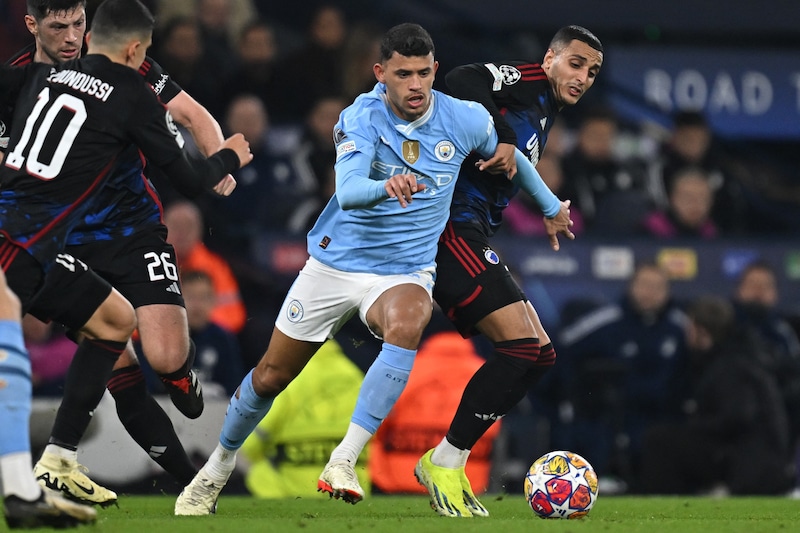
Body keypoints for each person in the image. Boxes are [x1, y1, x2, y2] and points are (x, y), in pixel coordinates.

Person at [174, 22, 571, 516]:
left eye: (424, 73)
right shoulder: (359, 117)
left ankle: (344, 459)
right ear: (380, 73)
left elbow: (512, 160)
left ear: (435, 71)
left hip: (403, 271)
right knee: (271, 376)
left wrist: (550, 206)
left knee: (410, 320)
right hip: (337, 266)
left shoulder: (464, 118)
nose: (415, 86)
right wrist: (388, 187)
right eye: (403, 74)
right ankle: (217, 466)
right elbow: (347, 192)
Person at [0, 0, 250, 520]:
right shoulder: (49, 82)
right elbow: (186, 178)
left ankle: (57, 459)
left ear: (94, 28)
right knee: (110, 349)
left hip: (126, 229)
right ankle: (186, 485)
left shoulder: (87, 79)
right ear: (31, 26)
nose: (70, 36)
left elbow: (191, 113)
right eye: (57, 25)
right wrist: (225, 160)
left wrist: (215, 162)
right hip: (55, 239)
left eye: (78, 24)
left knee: (140, 340)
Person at [412, 25, 601, 518]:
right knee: (520, 346)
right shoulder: (529, 80)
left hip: (473, 231)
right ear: (551, 58)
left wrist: (548, 207)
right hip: (448, 227)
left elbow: (518, 160)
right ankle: (446, 462)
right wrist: (506, 137)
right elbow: (462, 77)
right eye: (576, 64)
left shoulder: (547, 109)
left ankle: (446, 458)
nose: (583, 77)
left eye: (593, 72)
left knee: (539, 355)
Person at [639, 295, 792, 495]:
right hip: (744, 452)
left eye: (690, 327)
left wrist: (694, 424)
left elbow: (736, 417)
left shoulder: (731, 365)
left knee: (659, 441)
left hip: (750, 459)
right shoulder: (729, 356)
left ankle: (665, 505)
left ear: (701, 331)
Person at [556, 262, 688, 488]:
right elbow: (561, 349)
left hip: (661, 419)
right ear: (631, 286)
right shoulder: (606, 322)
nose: (650, 293)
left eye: (657, 287)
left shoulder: (681, 327)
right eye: (644, 285)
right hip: (609, 418)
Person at [369, 331, 500, 495]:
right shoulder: (487, 373)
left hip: (398, 480)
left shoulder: (405, 369)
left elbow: (376, 419)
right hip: (463, 482)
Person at [240, 339, 368, 499]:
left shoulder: (289, 377)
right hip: (345, 493)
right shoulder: (355, 377)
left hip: (286, 492)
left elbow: (252, 441)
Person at [164, 200, 247, 335]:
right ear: (163, 228)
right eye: (176, 226)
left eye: (188, 226)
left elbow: (234, 316)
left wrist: (196, 318)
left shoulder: (215, 267)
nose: (182, 233)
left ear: (199, 230)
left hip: (206, 339)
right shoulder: (148, 264)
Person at [640, 166, 719, 239]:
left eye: (702, 198)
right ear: (672, 199)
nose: (695, 204)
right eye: (688, 198)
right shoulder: (650, 230)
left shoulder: (713, 234)